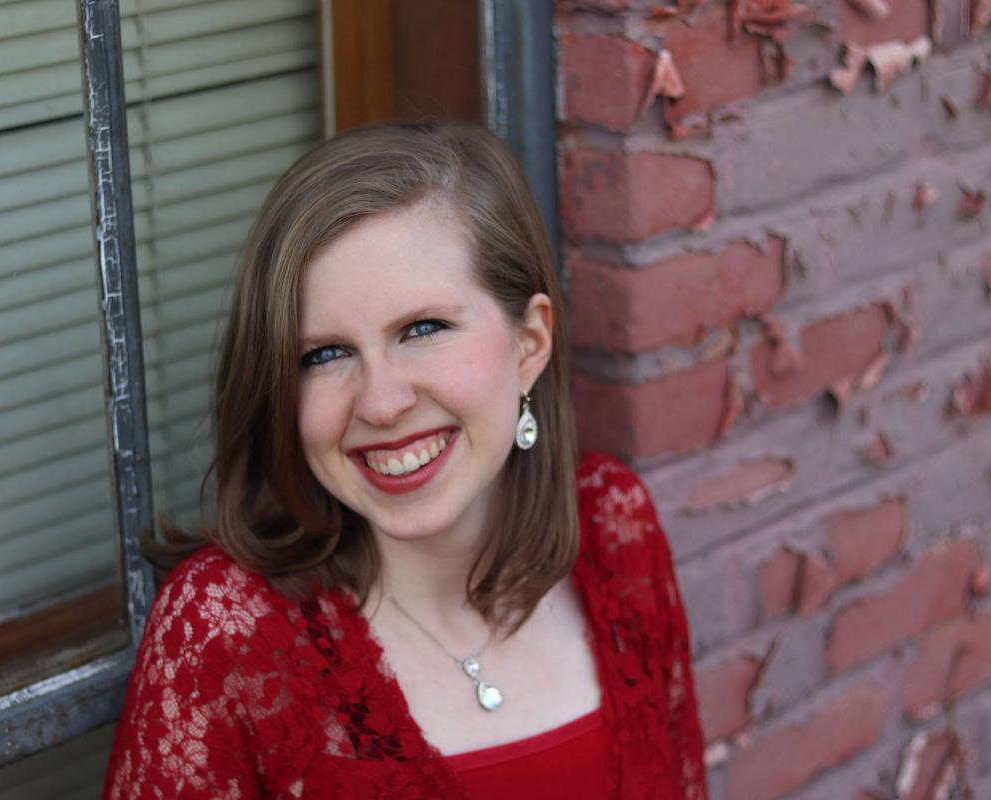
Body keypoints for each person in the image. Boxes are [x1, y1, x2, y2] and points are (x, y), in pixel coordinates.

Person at [102, 122, 706, 799]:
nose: (382, 404)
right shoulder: (225, 634)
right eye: (324, 355)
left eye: (422, 329)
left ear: (529, 344)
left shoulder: (613, 528)